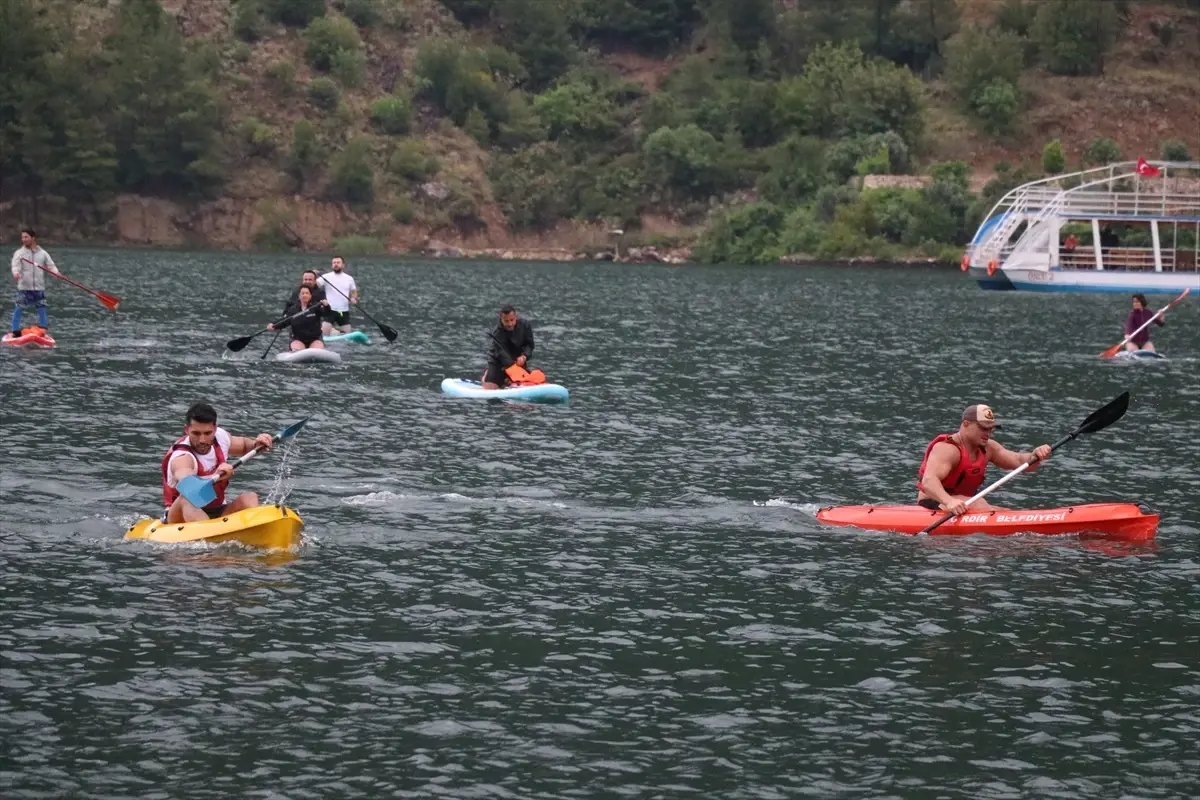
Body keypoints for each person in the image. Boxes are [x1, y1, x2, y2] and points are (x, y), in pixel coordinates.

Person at [916, 404, 1052, 516]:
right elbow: (928, 482)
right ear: (966, 424)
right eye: (983, 428)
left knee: (1001, 511)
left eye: (991, 429)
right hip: (934, 503)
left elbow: (1018, 461)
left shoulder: (989, 448)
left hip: (964, 503)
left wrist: (1034, 456)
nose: (988, 433)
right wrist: (949, 501)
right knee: (980, 504)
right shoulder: (947, 449)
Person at [161, 402, 275, 523]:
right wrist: (216, 475)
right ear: (187, 430)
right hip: (180, 516)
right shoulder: (182, 456)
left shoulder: (221, 437)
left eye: (207, 433)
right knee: (187, 498)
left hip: (218, 511)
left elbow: (243, 446)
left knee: (250, 497)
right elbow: (188, 482)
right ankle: (207, 536)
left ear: (215, 429)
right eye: (196, 433)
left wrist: (257, 444)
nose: (202, 440)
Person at [10, 227, 60, 337]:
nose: (23, 239)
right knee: (19, 307)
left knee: (42, 308)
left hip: (39, 287)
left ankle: (43, 329)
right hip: (24, 287)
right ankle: (15, 330)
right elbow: (15, 266)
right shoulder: (19, 253)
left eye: (26, 237)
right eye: (22, 237)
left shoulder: (43, 253)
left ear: (33, 238)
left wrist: (56, 272)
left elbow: (51, 266)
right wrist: (16, 273)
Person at [481, 304, 535, 389]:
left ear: (515, 317)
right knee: (490, 387)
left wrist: (524, 356)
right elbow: (501, 354)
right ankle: (487, 375)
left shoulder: (525, 325)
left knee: (524, 380)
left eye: (512, 320)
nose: (510, 324)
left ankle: (507, 379)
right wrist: (512, 367)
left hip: (517, 360)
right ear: (501, 320)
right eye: (506, 321)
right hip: (498, 361)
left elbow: (530, 345)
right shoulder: (497, 333)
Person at [268, 285, 326, 351]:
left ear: (310, 296)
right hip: (298, 339)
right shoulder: (293, 310)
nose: (305, 295)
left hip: (315, 339)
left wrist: (326, 306)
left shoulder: (316, 307)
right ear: (299, 296)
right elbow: (285, 321)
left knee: (316, 350)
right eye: (303, 293)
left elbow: (327, 313)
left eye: (307, 293)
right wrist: (274, 325)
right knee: (298, 349)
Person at [317, 256, 357, 335]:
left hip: (343, 312)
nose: (336, 264)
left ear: (343, 265)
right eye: (334, 263)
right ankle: (332, 330)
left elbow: (354, 291)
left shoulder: (349, 278)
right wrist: (313, 275)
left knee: (347, 335)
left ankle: (335, 331)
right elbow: (314, 285)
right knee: (324, 334)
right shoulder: (326, 277)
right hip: (330, 311)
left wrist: (353, 298)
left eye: (338, 263)